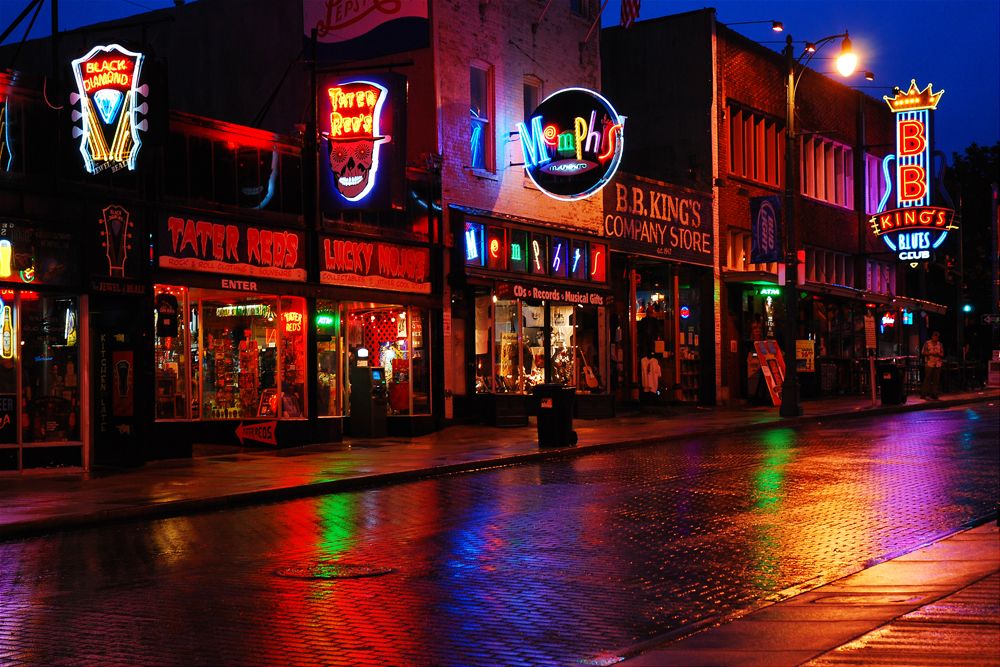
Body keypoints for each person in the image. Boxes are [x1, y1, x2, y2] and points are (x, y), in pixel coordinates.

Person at [920, 331, 945, 399]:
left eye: (937, 336)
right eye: (935, 336)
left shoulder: (940, 344)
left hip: (937, 364)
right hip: (929, 363)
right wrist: (930, 354)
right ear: (932, 336)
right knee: (927, 378)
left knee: (936, 380)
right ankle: (924, 394)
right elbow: (923, 352)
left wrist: (938, 354)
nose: (936, 338)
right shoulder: (927, 343)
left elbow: (942, 354)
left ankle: (934, 394)